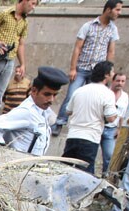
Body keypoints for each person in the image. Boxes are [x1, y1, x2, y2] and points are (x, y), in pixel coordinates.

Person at [52, 0, 122, 135]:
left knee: (95, 99)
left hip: (98, 71)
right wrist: (73, 68)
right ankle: (60, 122)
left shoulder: (113, 29)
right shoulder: (88, 26)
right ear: (108, 9)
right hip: (82, 68)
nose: (119, 13)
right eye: (117, 10)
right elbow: (77, 48)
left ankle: (89, 126)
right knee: (72, 94)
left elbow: (111, 51)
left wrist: (108, 71)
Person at [0, 66, 69, 155]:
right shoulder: (26, 112)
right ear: (34, 91)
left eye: (54, 95)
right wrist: (4, 154)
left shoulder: (44, 111)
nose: (51, 100)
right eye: (47, 94)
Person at [0, 0, 37, 121]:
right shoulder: (4, 14)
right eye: (32, 3)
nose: (33, 7)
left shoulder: (24, 22)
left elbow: (21, 44)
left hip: (10, 60)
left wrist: (22, 64)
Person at [62, 60, 117, 174]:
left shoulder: (79, 90)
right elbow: (111, 118)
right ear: (106, 74)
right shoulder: (107, 93)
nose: (113, 74)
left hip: (72, 136)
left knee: (64, 171)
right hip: (90, 138)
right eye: (112, 72)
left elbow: (68, 111)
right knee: (84, 176)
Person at [100, 72, 128, 175]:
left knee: (109, 155)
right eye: (118, 80)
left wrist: (119, 128)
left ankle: (105, 176)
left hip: (112, 129)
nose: (120, 83)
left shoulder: (125, 96)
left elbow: (122, 114)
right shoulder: (105, 93)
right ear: (113, 80)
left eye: (122, 81)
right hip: (100, 126)